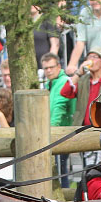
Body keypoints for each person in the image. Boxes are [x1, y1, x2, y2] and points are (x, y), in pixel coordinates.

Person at [40, 52, 75, 188]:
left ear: (59, 66)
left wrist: (52, 130)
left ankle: (63, 194)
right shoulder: (50, 84)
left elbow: (59, 107)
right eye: (46, 68)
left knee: (60, 169)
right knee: (58, 168)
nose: (49, 71)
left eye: (51, 67)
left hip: (60, 132)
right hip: (53, 130)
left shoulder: (64, 82)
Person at [61, 50, 101, 127]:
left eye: (95, 57)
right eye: (89, 57)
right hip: (82, 127)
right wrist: (78, 73)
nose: (91, 60)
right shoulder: (82, 80)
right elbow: (65, 92)